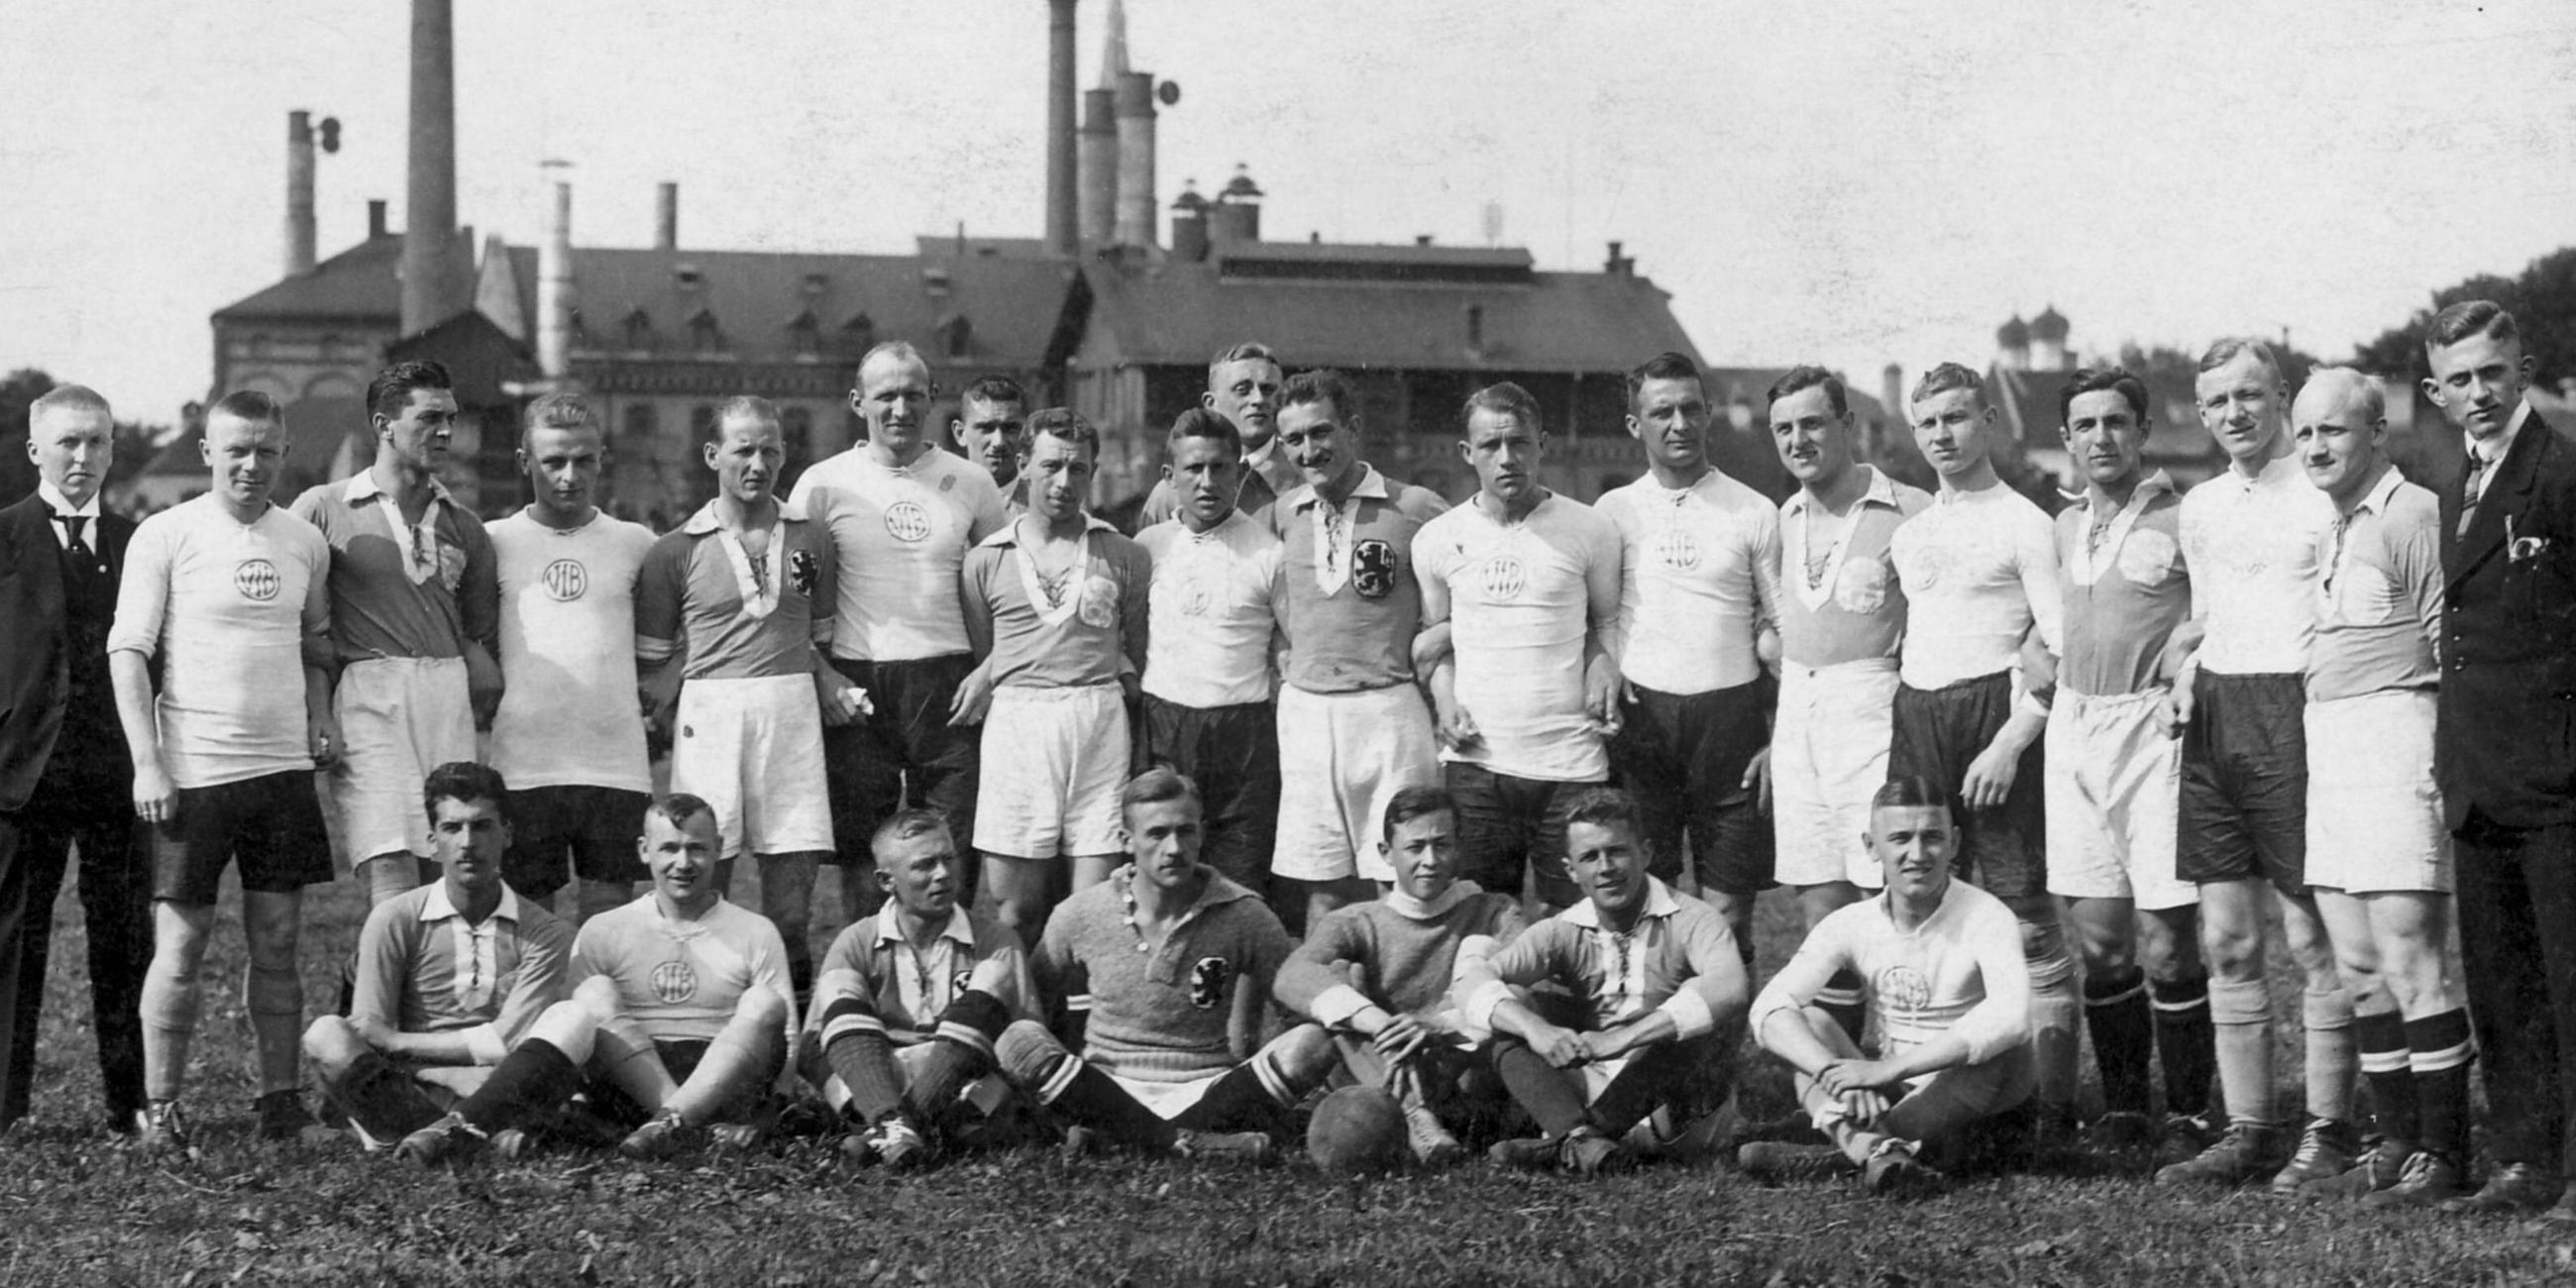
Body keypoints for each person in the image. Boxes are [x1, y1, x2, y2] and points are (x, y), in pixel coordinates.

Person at [109, 390, 339, 1151]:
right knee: (181, 945)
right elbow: (128, 653)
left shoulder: (302, 541)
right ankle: (162, 1106)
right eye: (235, 449)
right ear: (207, 451)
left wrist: (317, 714)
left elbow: (315, 643)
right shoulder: (164, 534)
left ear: (283, 453)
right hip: (194, 771)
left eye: (265, 450)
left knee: (277, 940)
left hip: (280, 774)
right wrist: (148, 762)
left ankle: (279, 1103)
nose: (250, 464)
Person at [2155, 338, 2357, 1190]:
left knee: (2315, 939)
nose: (2235, 414)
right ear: (2200, 414)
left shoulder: (2321, 495)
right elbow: (2203, 620)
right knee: (2228, 941)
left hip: (2297, 714)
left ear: (2280, 395)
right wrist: (2181, 670)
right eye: (2217, 402)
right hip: (2217, 722)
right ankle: (2249, 1131)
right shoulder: (2197, 506)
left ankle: (2332, 1133)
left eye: (2249, 395)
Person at [2283, 368, 2474, 1206]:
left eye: (2334, 431)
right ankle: (2394, 1140)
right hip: (2333, 743)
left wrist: (2439, 760)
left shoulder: (2413, 514)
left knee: (2410, 955)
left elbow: (2447, 645)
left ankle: (2445, 1149)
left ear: (2377, 436)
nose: (2316, 447)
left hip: (2397, 737)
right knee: (2357, 962)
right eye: (2305, 435)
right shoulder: (2328, 526)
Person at [1884, 363, 2078, 1136]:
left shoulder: (2024, 522)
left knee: (2026, 916)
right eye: (1928, 423)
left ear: (1988, 419)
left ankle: (2056, 1113)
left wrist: (2008, 742)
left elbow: (2058, 649)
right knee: (1923, 909)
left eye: (1957, 418)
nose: (1943, 435)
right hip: (1919, 715)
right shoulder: (1911, 532)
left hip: (1994, 726)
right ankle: (1933, 1094)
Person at [394, 793, 798, 1163]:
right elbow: (577, 1035)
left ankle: (674, 1125)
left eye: (697, 849)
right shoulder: (606, 928)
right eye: (669, 848)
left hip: (722, 1079)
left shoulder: (754, 930)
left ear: (718, 850)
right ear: (644, 851)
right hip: (630, 1078)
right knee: (590, 994)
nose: (683, 863)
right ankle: (680, 1126)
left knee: (764, 1001)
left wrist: (775, 1106)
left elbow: (787, 1035)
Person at [2421, 301, 2576, 1218]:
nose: (2478, 393)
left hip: (2557, 778)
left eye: (2492, 372)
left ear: (2523, 369)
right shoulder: (2455, 488)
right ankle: (2525, 1158)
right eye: (2459, 379)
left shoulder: (2562, 474)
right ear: (2437, 393)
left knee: (2570, 980)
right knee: (2504, 983)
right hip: (2478, 778)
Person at [993, 769, 1335, 1162]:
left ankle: (1123, 1139)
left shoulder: (1245, 913)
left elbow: (1294, 1004)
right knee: (1017, 1037)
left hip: (1206, 1087)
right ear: (1126, 840)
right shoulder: (1081, 913)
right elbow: (1036, 1000)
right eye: (1156, 834)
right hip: (1108, 1086)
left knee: (1313, 1042)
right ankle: (1186, 1143)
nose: (1174, 848)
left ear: (1202, 834)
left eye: (1185, 831)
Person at [2042, 368, 2212, 1153]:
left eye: (2116, 422)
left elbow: (2214, 618)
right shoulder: (2060, 526)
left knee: (2168, 938)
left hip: (2153, 731)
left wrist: (2186, 663)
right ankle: (2122, 1108)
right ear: (2068, 439)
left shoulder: (2186, 517)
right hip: (2074, 729)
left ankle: (2189, 1111)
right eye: (2085, 425)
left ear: (2143, 433)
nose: (2100, 438)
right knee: (2102, 941)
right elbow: (2044, 630)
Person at [636, 396, 847, 1002]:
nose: (758, 463)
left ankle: (791, 1040)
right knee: (704, 887)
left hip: (791, 717)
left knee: (790, 913)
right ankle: (703, 1022)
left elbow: (819, 639)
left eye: (770, 450)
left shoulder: (813, 536)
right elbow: (653, 666)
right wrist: (688, 670)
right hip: (712, 717)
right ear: (713, 456)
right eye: (743, 450)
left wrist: (822, 675)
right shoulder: (674, 549)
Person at [792, 344, 1009, 923]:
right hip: (858, 682)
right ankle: (868, 973)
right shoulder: (823, 483)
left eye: (914, 394)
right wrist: (823, 674)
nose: (900, 408)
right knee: (867, 849)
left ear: (933, 399)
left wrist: (990, 671)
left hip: (950, 681)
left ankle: (944, 977)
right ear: (858, 401)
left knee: (953, 846)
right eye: (885, 395)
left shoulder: (971, 482)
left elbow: (1012, 587)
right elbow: (790, 600)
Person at [1742, 777, 2036, 1198]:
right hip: (1894, 1090)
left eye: (1931, 837)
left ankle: (1850, 1152)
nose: (1917, 854)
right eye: (1900, 838)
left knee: (1997, 1050)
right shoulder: (1852, 922)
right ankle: (1880, 1154)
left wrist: (1886, 1069)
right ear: (1870, 846)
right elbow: (1768, 1009)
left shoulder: (1987, 915)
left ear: (1954, 843)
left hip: (1979, 1105)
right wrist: (1831, 1071)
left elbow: (2011, 1018)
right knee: (1811, 1022)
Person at [1452, 786, 1745, 1175]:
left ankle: (1572, 1141)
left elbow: (1731, 987)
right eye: (1590, 857)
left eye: (1617, 851)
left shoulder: (1692, 917)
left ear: (1646, 852)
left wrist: (1622, 1038)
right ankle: (1586, 1143)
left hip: (1673, 1106)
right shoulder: (1562, 928)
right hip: (1588, 1085)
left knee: (1699, 1023)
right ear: (1571, 870)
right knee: (1507, 1026)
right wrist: (1536, 1029)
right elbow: (1471, 982)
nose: (1606, 867)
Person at [291, 360, 499, 907]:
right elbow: (299, 628)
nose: (447, 432)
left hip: (446, 698)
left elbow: (479, 639)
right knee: (389, 873)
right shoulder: (322, 508)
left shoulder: (466, 526)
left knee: (443, 875)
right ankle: (373, 993)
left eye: (450, 418)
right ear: (384, 425)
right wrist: (317, 711)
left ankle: (412, 993)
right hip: (369, 697)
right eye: (430, 418)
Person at [0, 384, 151, 1135]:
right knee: (13, 940)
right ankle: (5, 1106)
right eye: (67, 442)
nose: (83, 457)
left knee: (124, 938)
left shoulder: (139, 543)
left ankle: (132, 1102)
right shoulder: (3, 537)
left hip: (118, 775)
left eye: (96, 441)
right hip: (22, 775)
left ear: (113, 448)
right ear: (36, 450)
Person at [1595, 351, 1780, 959]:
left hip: (1730, 722)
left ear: (1710, 415)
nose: (1679, 424)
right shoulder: (1612, 512)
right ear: (1635, 425)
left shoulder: (1754, 510)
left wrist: (1781, 735)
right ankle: (1662, 1047)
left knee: (1729, 911)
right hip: (1643, 722)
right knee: (1650, 903)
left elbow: (1784, 632)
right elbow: (1595, 620)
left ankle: (1723, 1055)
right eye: (1662, 412)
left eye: (1691, 409)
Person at [1767, 366, 1931, 1042]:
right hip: (1798, 719)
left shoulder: (1912, 509)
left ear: (1847, 426)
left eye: (1812, 423)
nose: (1799, 440)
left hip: (1875, 709)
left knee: (1892, 897)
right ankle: (1844, 1082)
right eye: (1785, 429)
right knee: (1822, 908)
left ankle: (1910, 1064)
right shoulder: (1787, 514)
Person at [1416, 381, 1624, 912]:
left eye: (1520, 443)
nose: (1507, 458)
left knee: (1576, 920)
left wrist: (1603, 662)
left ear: (1542, 444)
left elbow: (1609, 620)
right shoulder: (1437, 539)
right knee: (1482, 919)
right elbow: (1437, 641)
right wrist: (1444, 701)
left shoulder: (1590, 528)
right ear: (1467, 453)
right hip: (1478, 760)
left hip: (1570, 760)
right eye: (1490, 446)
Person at [302, 763, 572, 1151]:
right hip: (413, 1088)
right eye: (452, 828)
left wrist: (400, 1044)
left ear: (507, 834)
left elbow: (507, 1042)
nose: (467, 843)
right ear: (431, 841)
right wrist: (445, 1074)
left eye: (481, 826)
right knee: (326, 1034)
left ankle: (435, 1140)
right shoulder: (396, 918)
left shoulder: (545, 932)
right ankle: (455, 1138)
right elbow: (368, 1033)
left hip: (499, 1090)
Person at [956, 409, 1151, 944]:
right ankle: (1021, 1022)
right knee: (1016, 908)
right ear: (1023, 465)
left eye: (1079, 469)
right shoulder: (985, 561)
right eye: (1051, 467)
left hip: (1097, 722)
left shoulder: (1124, 554)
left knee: (1095, 908)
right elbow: (989, 650)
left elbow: (1134, 644)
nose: (1065, 483)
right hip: (1020, 723)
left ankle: (1082, 1027)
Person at [1262, 370, 1448, 932]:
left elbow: (1475, 580)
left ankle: (1408, 1000)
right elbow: (1267, 599)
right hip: (1309, 714)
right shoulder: (1283, 512)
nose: (1308, 450)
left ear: (1353, 429)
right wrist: (1280, 654)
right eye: (1293, 440)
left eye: (1321, 433)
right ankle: (1337, 1010)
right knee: (1323, 888)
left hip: (1387, 711)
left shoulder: (1414, 506)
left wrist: (1445, 634)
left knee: (1400, 878)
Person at [1273, 786, 1527, 1164]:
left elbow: (1526, 986)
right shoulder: (1358, 920)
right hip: (1378, 1069)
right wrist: (1380, 1025)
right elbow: (1292, 976)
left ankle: (1417, 1114)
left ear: (1459, 849)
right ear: (1385, 853)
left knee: (1485, 956)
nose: (1430, 860)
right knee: (1343, 975)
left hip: (1457, 1067)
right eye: (1415, 847)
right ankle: (1414, 1115)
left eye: (1442, 845)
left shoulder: (1494, 910)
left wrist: (1438, 1025)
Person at [486, 392, 656, 925]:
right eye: (553, 461)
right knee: (532, 930)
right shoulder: (495, 542)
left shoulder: (636, 544)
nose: (569, 475)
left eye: (584, 460)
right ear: (524, 463)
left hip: (614, 762)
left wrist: (666, 685)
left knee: (606, 928)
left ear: (601, 459)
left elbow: (679, 633)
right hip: (525, 765)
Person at [799, 808, 1038, 1169]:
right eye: (924, 865)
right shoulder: (857, 940)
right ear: (885, 881)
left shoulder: (993, 938)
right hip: (877, 1075)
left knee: (994, 975)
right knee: (838, 983)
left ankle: (891, 1131)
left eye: (947, 859)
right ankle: (908, 1127)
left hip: (963, 1079)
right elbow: (811, 1047)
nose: (942, 874)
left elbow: (1026, 1038)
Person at [1133, 408, 1286, 898]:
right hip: (1163, 727)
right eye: (1193, 469)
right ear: (1169, 477)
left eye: (1220, 468)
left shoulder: (1269, 553)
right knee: (1163, 876)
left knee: (1237, 885)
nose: (1206, 482)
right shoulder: (1148, 547)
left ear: (1240, 472)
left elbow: (1292, 645)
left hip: (1242, 734)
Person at [1134, 343, 1303, 530]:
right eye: (1242, 390)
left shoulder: (1303, 480)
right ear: (1211, 403)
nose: (1258, 400)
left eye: (1268, 390)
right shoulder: (1171, 492)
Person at [949, 376, 1029, 509]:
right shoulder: (938, 504)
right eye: (986, 428)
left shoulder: (1048, 510)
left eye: (1010, 429)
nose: (999, 442)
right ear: (960, 433)